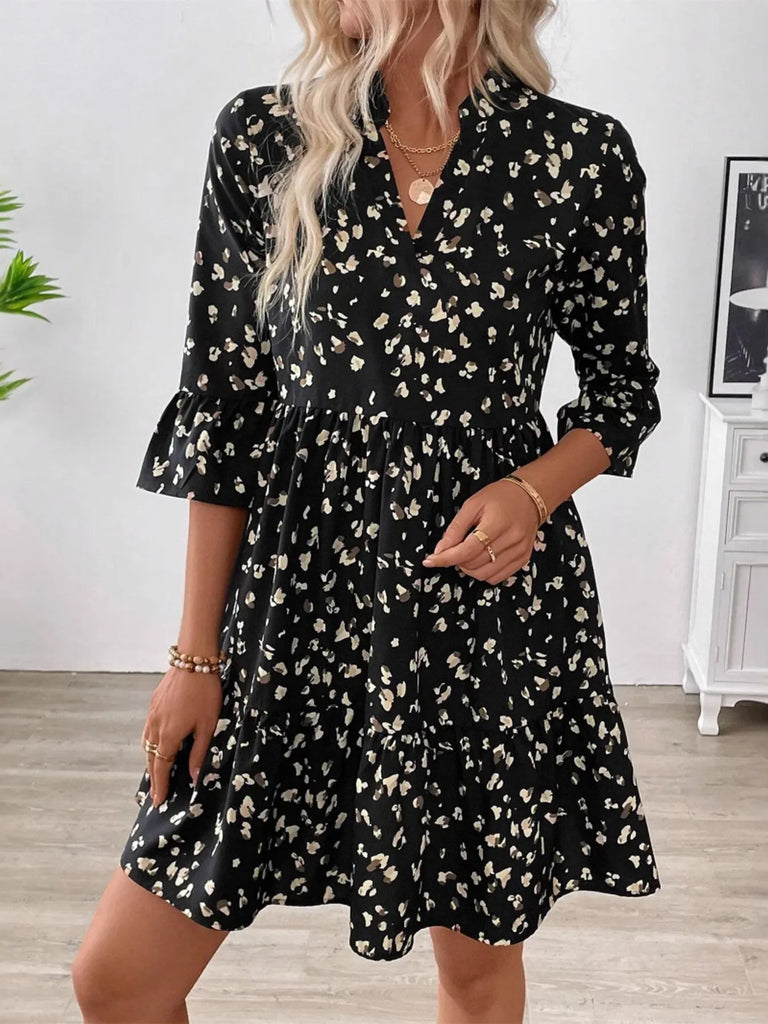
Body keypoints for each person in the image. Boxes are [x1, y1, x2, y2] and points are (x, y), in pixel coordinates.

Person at [72, 0, 663, 1021]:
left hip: (478, 610)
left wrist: (533, 491)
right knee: (118, 980)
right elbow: (226, 407)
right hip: (296, 604)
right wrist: (194, 657)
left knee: (474, 970)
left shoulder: (579, 156)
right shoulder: (264, 135)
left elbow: (621, 393)